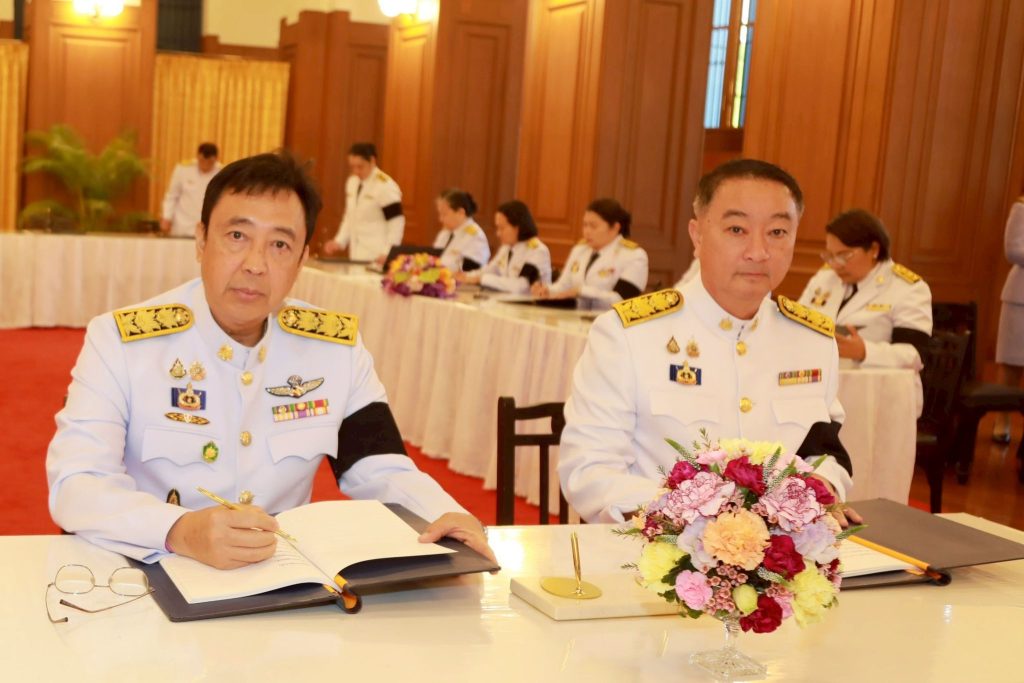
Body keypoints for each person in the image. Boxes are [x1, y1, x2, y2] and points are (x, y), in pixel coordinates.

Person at [47, 151, 492, 569]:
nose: (255, 264)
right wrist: (177, 530)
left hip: (282, 582)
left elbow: (378, 465)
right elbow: (77, 482)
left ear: (302, 260)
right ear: (201, 240)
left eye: (279, 244)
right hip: (151, 572)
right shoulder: (122, 341)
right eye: (237, 236)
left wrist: (444, 512)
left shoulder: (334, 349)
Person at [558, 159, 860, 528]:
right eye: (737, 229)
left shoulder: (812, 341)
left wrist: (820, 489)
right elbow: (589, 471)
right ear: (697, 235)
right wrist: (702, 518)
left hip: (782, 554)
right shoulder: (628, 335)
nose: (758, 251)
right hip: (655, 551)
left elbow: (824, 450)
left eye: (778, 232)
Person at [798, 209, 932, 414]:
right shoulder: (825, 278)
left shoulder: (908, 288)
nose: (835, 265)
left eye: (844, 255)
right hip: (820, 390)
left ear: (874, 250)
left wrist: (864, 351)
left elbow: (914, 355)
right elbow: (797, 322)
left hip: (878, 399)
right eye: (830, 256)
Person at [531, 198, 648, 308]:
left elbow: (623, 301)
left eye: (593, 226)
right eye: (585, 225)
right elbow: (564, 285)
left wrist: (582, 291)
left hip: (609, 321)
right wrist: (548, 291)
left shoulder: (634, 256)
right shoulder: (580, 250)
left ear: (615, 228)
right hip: (574, 317)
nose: (587, 231)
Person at [322, 143, 404, 263]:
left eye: (360, 167)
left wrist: (388, 252)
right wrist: (339, 241)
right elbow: (350, 216)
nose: (356, 171)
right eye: (353, 167)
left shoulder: (385, 186)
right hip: (356, 252)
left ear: (372, 161)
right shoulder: (352, 182)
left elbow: (396, 223)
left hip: (377, 254)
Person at [457, 199, 551, 294]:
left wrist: (482, 279)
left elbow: (521, 286)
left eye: (502, 228)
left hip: (529, 302)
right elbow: (490, 270)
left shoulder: (537, 251)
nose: (498, 233)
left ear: (517, 227)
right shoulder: (506, 248)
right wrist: (465, 276)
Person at [993, 194, 1024, 443]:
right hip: (1019, 300)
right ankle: (1002, 420)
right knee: (1011, 364)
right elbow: (1013, 250)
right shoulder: (1021, 206)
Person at [160, 142, 221, 237]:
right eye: (202, 161)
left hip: (207, 226)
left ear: (216, 159)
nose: (205, 165)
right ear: (198, 157)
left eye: (209, 162)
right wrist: (167, 217)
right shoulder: (183, 169)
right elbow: (172, 196)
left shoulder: (221, 173)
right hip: (182, 224)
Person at [432, 189, 490, 273]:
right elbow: (434, 257)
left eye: (444, 214)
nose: (440, 219)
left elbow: (472, 270)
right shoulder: (445, 233)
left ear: (460, 212)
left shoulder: (476, 237)